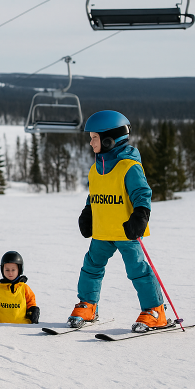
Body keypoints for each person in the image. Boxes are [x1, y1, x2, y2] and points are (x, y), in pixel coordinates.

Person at [68, 110, 168, 332]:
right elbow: (94, 195)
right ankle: (88, 305)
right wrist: (88, 212)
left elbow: (142, 194)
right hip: (102, 231)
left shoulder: (129, 167)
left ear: (109, 139)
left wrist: (140, 215)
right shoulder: (95, 169)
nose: (91, 142)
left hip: (126, 231)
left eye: (94, 137)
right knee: (91, 267)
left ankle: (155, 310)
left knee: (137, 270)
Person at [0, 251, 40, 324]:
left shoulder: (24, 288)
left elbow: (30, 301)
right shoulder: (0, 288)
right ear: (2, 270)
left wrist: (33, 310)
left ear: (19, 270)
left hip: (23, 325)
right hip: (2, 326)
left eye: (13, 270)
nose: (10, 273)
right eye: (7, 270)